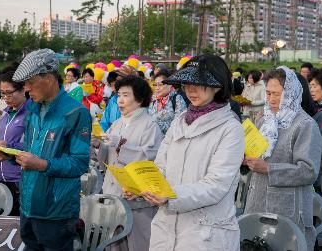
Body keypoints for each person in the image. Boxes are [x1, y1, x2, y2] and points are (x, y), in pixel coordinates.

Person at [145, 54, 245, 251]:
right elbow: (161, 166)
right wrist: (144, 186)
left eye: (198, 83)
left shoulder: (230, 128)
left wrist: (171, 196)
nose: (190, 89)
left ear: (218, 86)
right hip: (166, 229)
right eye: (186, 83)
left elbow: (216, 185)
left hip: (205, 235)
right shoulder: (180, 120)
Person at [12, 49, 92, 250]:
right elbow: (31, 150)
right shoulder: (33, 109)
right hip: (28, 206)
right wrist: (9, 152)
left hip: (56, 212)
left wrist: (42, 165)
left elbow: (80, 163)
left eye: (30, 82)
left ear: (48, 78)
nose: (27, 89)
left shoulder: (76, 112)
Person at [244, 66, 322, 250]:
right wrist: (246, 157)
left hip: (287, 207)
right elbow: (257, 152)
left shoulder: (305, 125)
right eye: (268, 93)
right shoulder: (265, 119)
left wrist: (269, 168)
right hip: (257, 200)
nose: (271, 99)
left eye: (277, 94)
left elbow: (308, 171)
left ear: (291, 94)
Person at [96, 75, 163, 251]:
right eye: (118, 95)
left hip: (137, 201)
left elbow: (151, 158)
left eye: (126, 95)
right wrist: (97, 144)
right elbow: (104, 161)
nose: (120, 100)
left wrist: (122, 145)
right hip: (113, 196)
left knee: (138, 244)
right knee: (113, 244)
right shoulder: (117, 123)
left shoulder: (150, 125)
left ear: (140, 98)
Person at [0, 71, 29, 216]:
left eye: (9, 93)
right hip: (2, 177)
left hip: (20, 180)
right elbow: (3, 139)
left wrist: (9, 148)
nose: (5, 98)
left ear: (23, 89)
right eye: (2, 93)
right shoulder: (6, 113)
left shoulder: (31, 114)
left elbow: (34, 147)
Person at [149, 70, 187, 134]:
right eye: (155, 85)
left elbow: (178, 126)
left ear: (170, 85)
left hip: (169, 141)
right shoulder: (154, 101)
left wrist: (155, 123)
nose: (157, 88)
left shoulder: (177, 99)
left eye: (160, 85)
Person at [100, 65, 137, 132]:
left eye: (117, 82)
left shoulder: (138, 101)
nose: (114, 87)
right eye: (112, 84)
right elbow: (104, 122)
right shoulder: (113, 100)